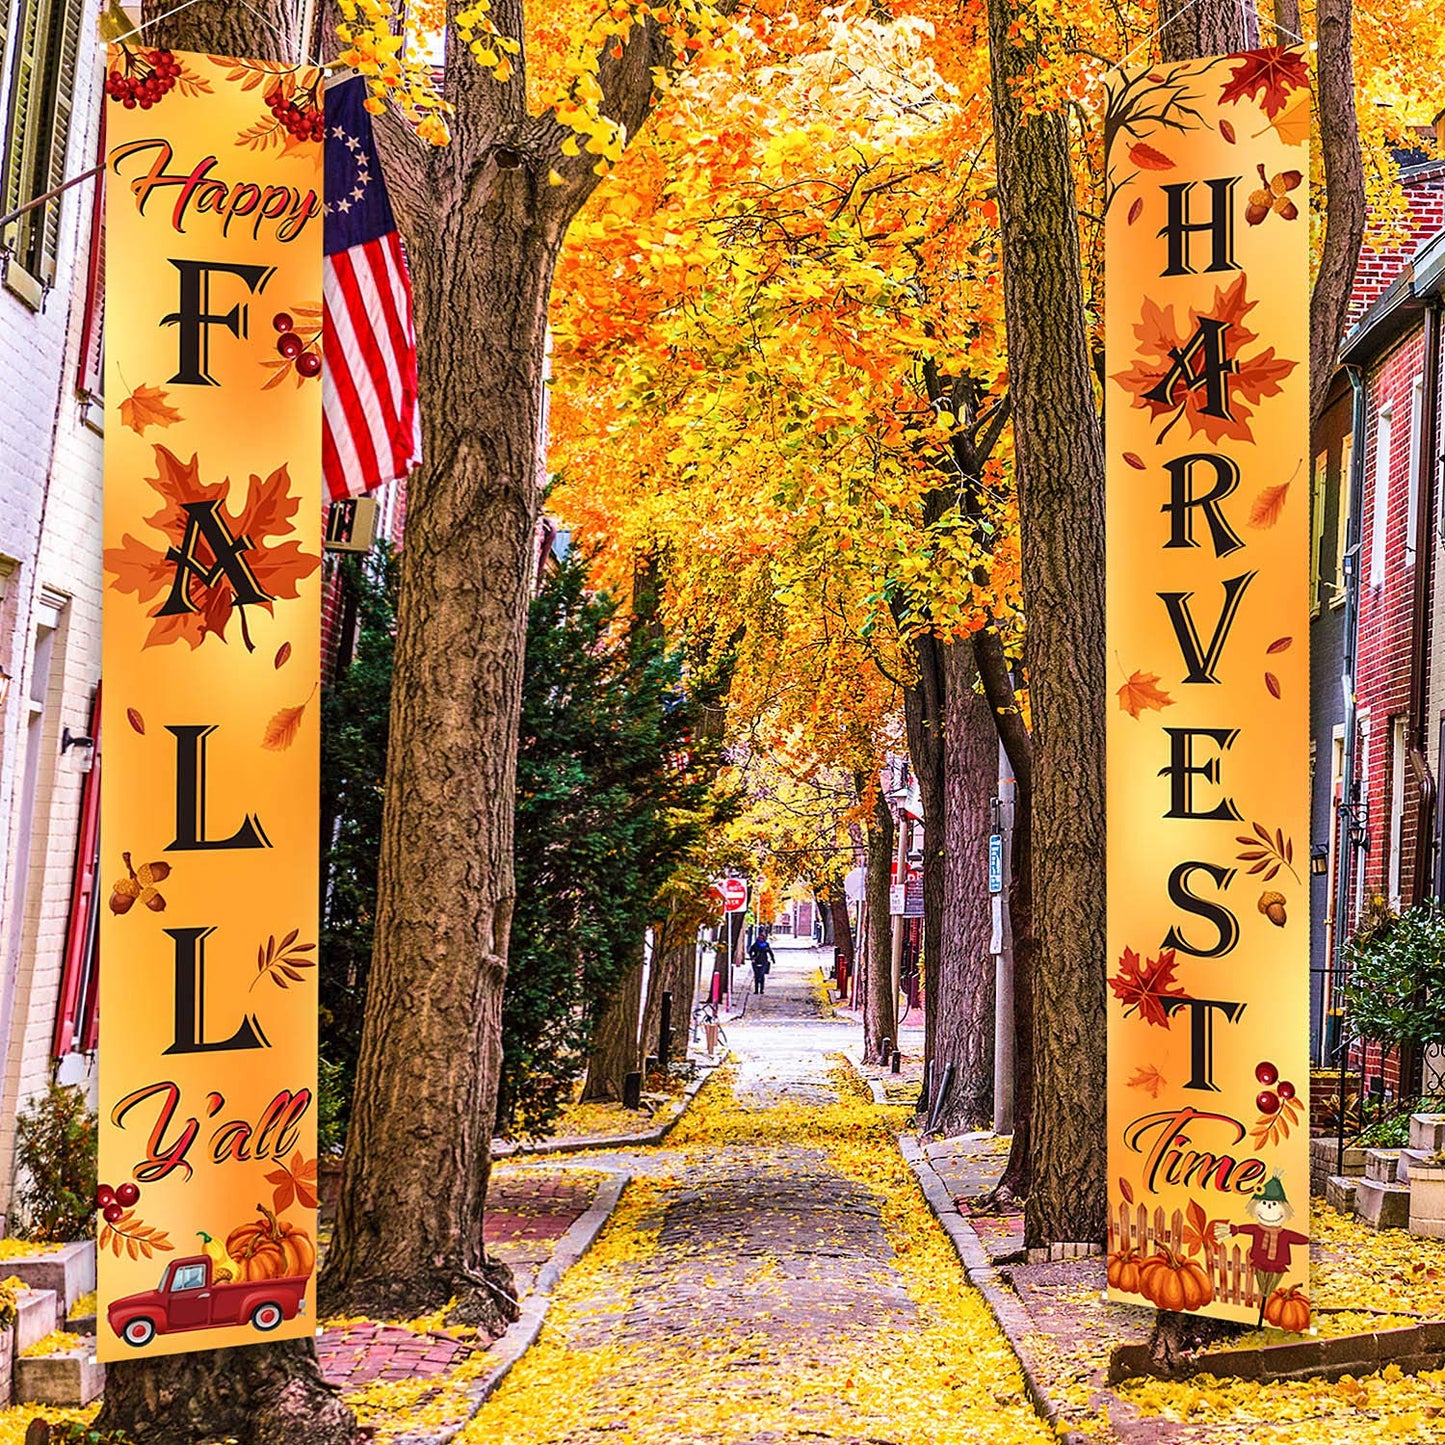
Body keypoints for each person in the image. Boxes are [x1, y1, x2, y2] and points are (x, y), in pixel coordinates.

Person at [1214, 1174, 1308, 1326]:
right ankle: (1263, 1307)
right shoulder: (1257, 1229)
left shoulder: (1284, 1234)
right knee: (1263, 1287)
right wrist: (1234, 1229)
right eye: (1264, 1203)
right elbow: (1246, 1229)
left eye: (1274, 1204)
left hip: (1278, 1264)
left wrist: (1309, 1239)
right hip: (1261, 1262)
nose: (1269, 1207)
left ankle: (1265, 1307)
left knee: (1271, 1289)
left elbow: (1297, 1238)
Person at [748, 930, 775, 994]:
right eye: (760, 938)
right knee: (756, 976)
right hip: (756, 961)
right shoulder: (755, 944)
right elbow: (750, 951)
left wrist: (773, 959)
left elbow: (770, 952)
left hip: (764, 961)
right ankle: (756, 989)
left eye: (762, 938)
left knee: (762, 975)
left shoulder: (766, 945)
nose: (761, 939)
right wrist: (752, 958)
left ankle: (762, 989)